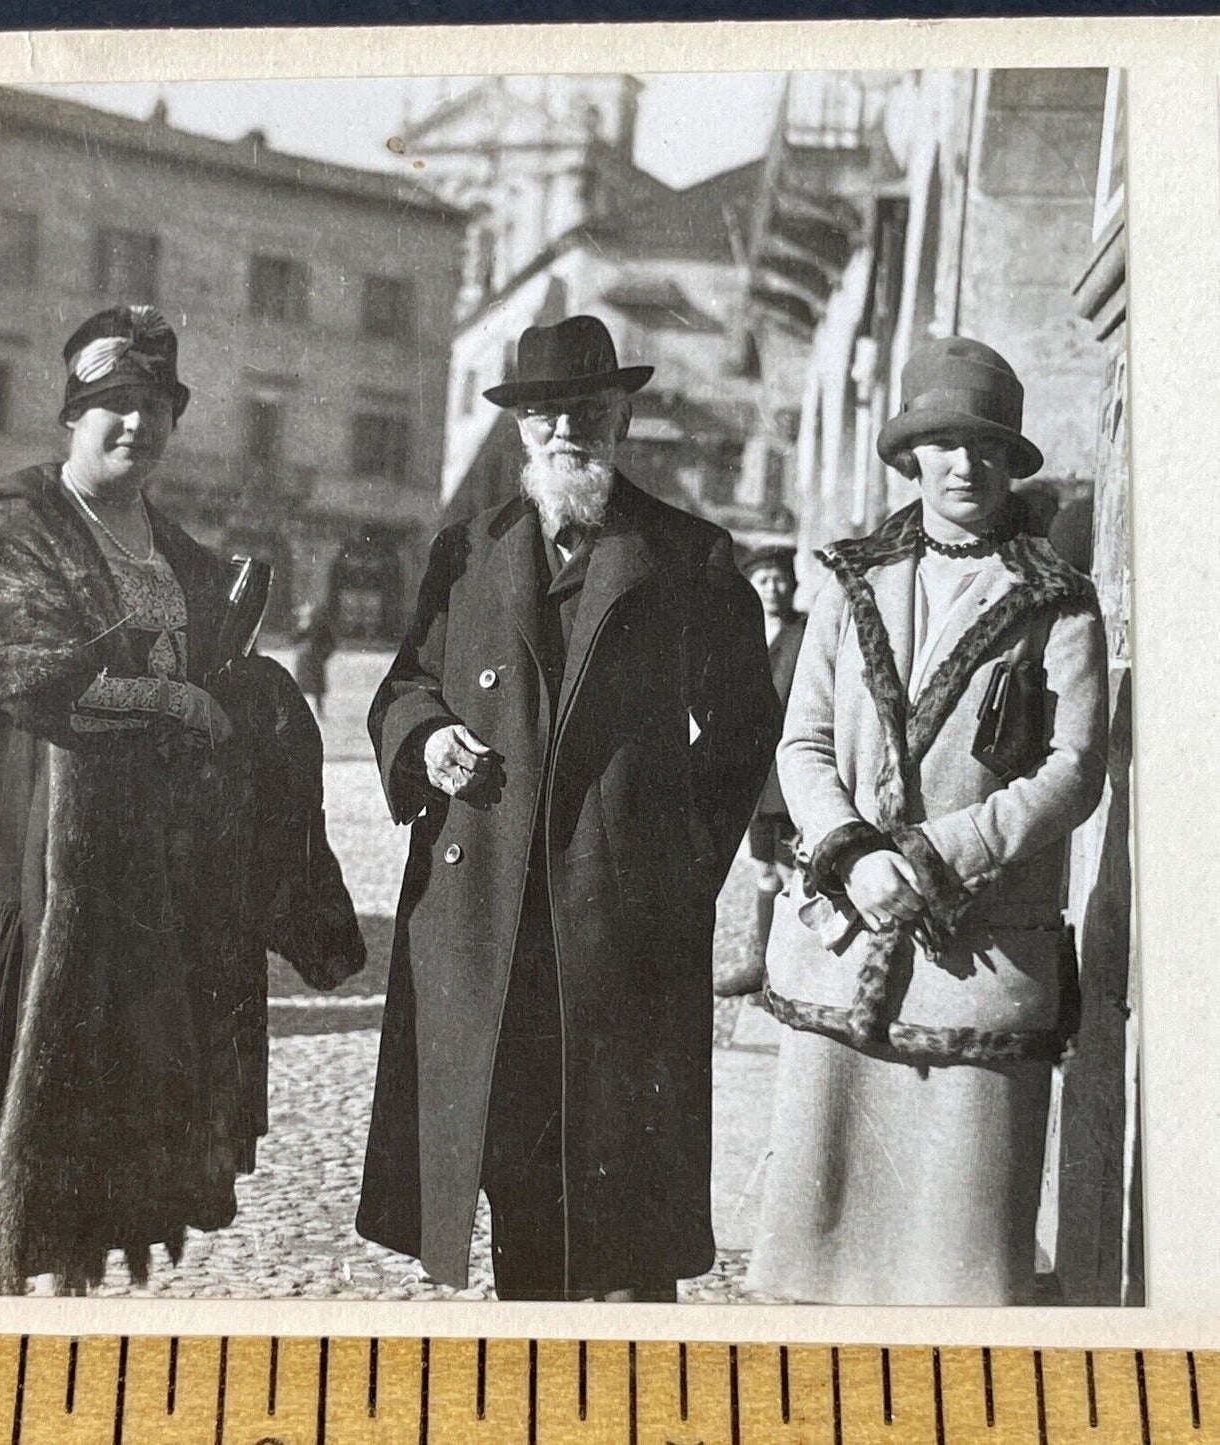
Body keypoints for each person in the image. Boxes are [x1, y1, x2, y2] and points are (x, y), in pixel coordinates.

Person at [0, 305, 364, 1295]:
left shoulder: (183, 551)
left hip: (156, 886)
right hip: (50, 873)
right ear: (70, 417)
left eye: (155, 407)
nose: (136, 424)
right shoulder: (18, 518)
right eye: (112, 406)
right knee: (18, 1139)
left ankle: (78, 1293)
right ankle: (4, 1305)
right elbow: (18, 671)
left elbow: (221, 684)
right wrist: (175, 698)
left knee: (119, 1146)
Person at [357, 315, 782, 1301]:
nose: (565, 433)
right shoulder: (465, 551)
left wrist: (675, 862)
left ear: (621, 417)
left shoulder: (687, 557)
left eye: (586, 413)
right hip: (489, 921)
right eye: (544, 415)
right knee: (511, 1172)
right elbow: (403, 685)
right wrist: (424, 739)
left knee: (623, 1189)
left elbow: (741, 729)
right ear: (517, 429)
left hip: (617, 920)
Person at [746, 336, 1108, 1305]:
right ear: (910, 454)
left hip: (975, 974)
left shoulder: (1057, 606)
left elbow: (1070, 770)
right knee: (827, 1271)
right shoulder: (846, 583)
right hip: (847, 955)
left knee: (956, 1274)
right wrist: (854, 855)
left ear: (1008, 461)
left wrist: (936, 853)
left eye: (984, 446)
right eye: (941, 443)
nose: (962, 465)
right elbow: (801, 745)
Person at [715, 546, 807, 996]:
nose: (772, 587)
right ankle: (764, 969)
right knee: (765, 869)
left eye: (779, 578)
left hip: (791, 772)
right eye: (763, 579)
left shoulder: (804, 633)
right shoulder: (739, 631)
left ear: (793, 583)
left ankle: (791, 979)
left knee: (796, 873)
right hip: (753, 771)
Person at [293, 601, 338, 718]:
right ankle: (299, 711)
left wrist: (324, 655)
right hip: (306, 660)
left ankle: (318, 711)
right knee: (303, 687)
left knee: (316, 688)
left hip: (316, 660)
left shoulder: (321, 626)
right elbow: (295, 639)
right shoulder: (305, 625)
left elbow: (331, 643)